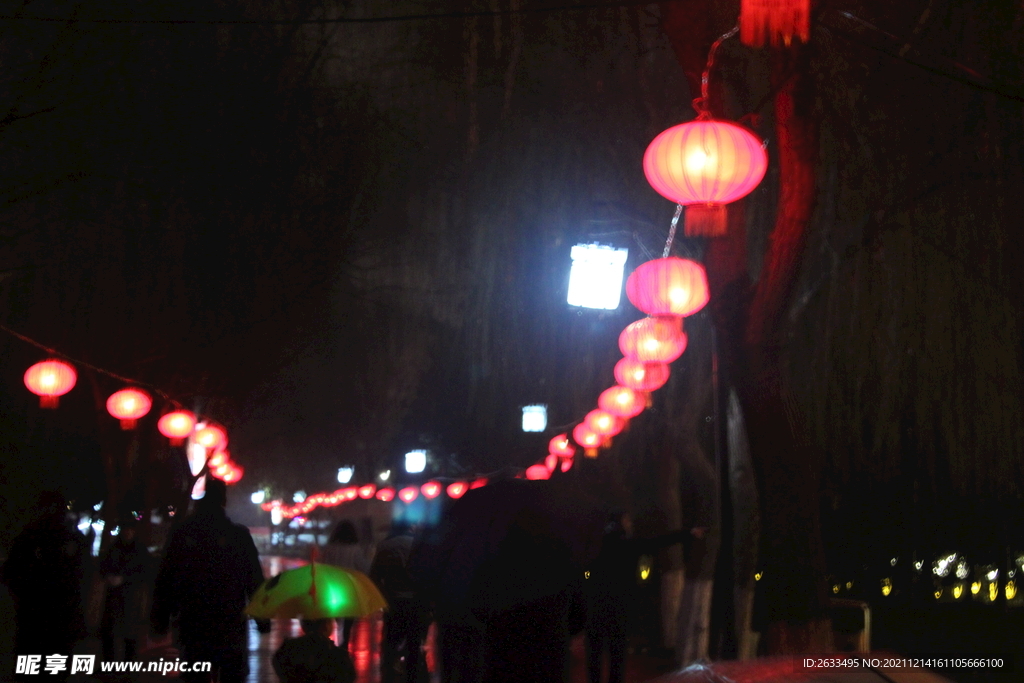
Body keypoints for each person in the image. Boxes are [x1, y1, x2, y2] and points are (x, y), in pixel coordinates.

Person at [151, 477, 268, 683]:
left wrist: (160, 620)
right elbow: (254, 580)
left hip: (193, 621)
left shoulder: (182, 534)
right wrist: (262, 618)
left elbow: (166, 579)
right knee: (232, 675)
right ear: (223, 501)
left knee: (195, 674)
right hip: (230, 622)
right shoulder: (238, 536)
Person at [584, 512, 690, 683]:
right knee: (616, 652)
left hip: (596, 605)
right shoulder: (627, 545)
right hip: (618, 605)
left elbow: (586, 570)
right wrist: (687, 534)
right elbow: (657, 542)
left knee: (595, 651)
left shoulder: (597, 545)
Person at [2, 490, 85, 681]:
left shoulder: (30, 536)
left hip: (36, 613)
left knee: (34, 663)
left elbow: (11, 574)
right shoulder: (69, 537)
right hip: (55, 614)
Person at [370, 523, 428, 683]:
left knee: (390, 644)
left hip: (393, 601)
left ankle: (388, 675)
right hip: (417, 602)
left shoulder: (385, 546)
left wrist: (384, 594)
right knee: (414, 644)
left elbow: (374, 576)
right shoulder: (420, 545)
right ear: (411, 527)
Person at [99, 516, 151, 661]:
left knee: (129, 632)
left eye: (130, 530)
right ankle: (109, 662)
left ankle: (128, 663)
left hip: (130, 595)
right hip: (115, 594)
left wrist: (125, 579)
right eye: (126, 530)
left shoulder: (138, 550)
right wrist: (109, 577)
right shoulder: (115, 547)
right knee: (109, 630)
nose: (128, 533)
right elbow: (103, 566)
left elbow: (144, 572)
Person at [321, 520, 371, 646]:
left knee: (335, 614)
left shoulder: (330, 549)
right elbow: (364, 568)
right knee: (349, 616)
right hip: (349, 588)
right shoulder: (355, 550)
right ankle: (345, 641)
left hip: (333, 587)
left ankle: (333, 639)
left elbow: (324, 566)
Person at [272, 618, 356, 683]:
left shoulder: (286, 651)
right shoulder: (339, 656)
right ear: (326, 625)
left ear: (303, 625)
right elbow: (349, 677)